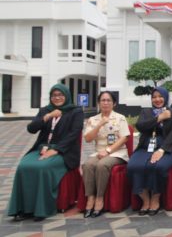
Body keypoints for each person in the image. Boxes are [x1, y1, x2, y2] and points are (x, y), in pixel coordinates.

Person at [8, 84, 84, 221]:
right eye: (54, 95)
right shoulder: (45, 110)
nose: (57, 98)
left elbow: (74, 134)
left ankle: (41, 209)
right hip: (42, 148)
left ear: (66, 95)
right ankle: (24, 208)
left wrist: (56, 150)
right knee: (23, 166)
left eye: (61, 95)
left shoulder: (75, 111)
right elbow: (31, 129)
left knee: (42, 167)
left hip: (64, 151)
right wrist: (48, 116)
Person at [127, 87, 172, 216]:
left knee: (157, 166)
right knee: (133, 166)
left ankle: (155, 198)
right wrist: (159, 118)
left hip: (169, 148)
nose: (157, 99)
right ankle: (145, 199)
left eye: (160, 96)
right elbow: (141, 126)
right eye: (154, 97)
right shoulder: (146, 112)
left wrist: (162, 150)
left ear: (166, 97)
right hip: (146, 146)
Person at [82, 91, 131, 218]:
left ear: (114, 103)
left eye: (108, 100)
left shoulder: (120, 118)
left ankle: (99, 198)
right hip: (98, 152)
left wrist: (108, 151)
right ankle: (90, 198)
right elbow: (88, 138)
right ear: (98, 103)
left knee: (102, 165)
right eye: (102, 100)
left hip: (117, 153)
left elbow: (124, 138)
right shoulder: (93, 120)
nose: (105, 103)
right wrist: (99, 125)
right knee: (87, 165)